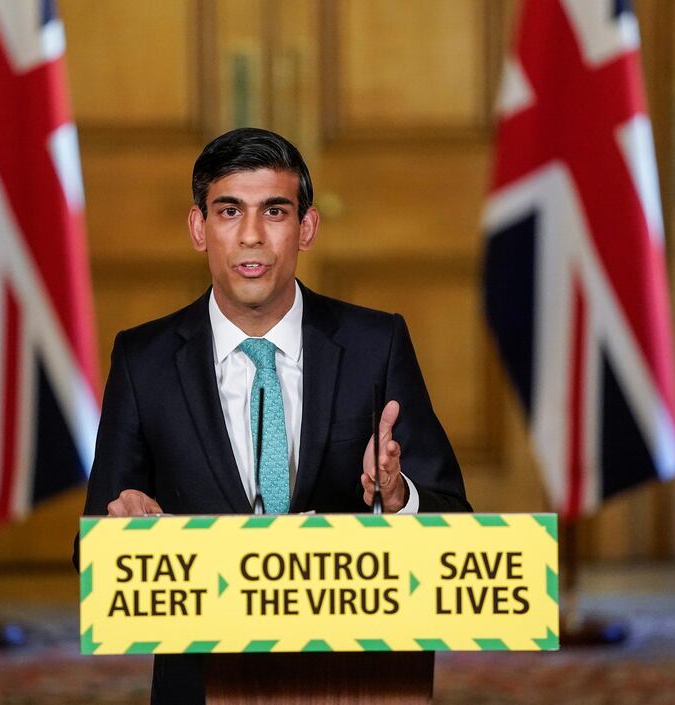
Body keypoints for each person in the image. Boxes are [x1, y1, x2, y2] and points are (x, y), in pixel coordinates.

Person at [77, 127, 471, 704]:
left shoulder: (375, 345)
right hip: (201, 676)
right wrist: (121, 535)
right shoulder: (145, 361)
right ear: (198, 228)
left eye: (275, 211)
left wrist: (398, 498)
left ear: (306, 228)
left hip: (355, 675)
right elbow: (90, 553)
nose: (252, 236)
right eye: (229, 211)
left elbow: (456, 522)